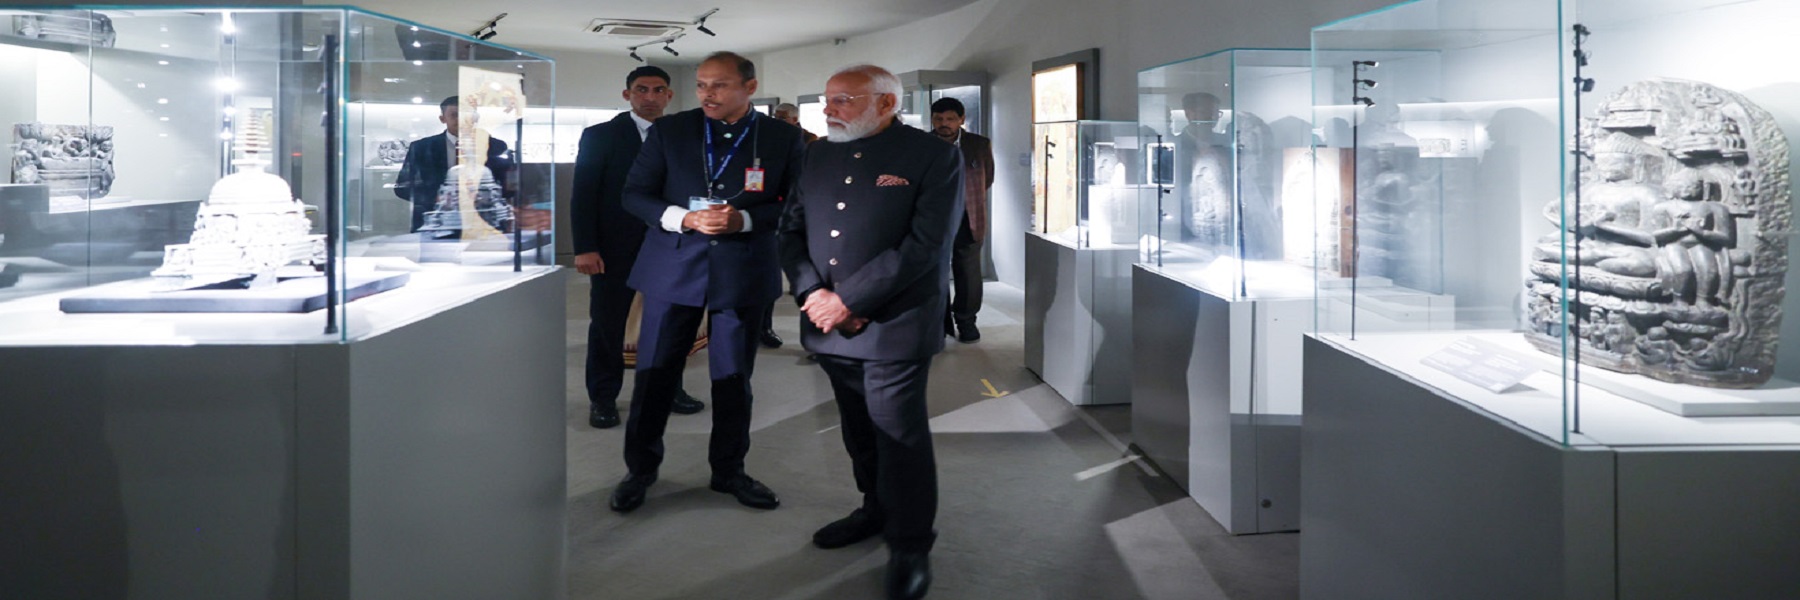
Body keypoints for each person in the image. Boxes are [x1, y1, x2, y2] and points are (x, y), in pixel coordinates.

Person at [779, 64, 962, 600]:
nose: (827, 110)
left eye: (842, 100)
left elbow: (927, 244)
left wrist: (851, 300)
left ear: (885, 103)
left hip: (894, 324)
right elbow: (791, 230)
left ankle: (910, 544)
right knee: (858, 429)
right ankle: (873, 509)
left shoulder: (932, 155)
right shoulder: (818, 153)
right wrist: (813, 293)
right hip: (826, 322)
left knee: (898, 436)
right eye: (827, 99)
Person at [609, 52, 805, 514]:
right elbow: (635, 194)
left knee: (733, 379)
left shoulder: (783, 137)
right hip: (673, 267)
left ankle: (729, 470)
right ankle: (640, 470)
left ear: (750, 87)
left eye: (718, 85)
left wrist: (743, 220)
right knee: (654, 375)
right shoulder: (671, 130)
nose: (707, 94)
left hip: (743, 269)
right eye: (700, 85)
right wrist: (683, 217)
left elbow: (796, 204)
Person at [570, 66, 704, 430]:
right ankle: (603, 397)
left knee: (671, 324)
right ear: (627, 94)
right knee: (608, 324)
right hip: (614, 247)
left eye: (658, 90)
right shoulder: (601, 136)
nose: (650, 97)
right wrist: (585, 247)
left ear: (669, 96)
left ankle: (668, 389)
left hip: (671, 246)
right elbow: (584, 194)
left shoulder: (682, 135)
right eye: (641, 90)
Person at [395, 96, 514, 236]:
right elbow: (403, 186)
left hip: (486, 225)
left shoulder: (496, 146)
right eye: (455, 115)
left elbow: (510, 186)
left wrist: (486, 199)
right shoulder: (420, 148)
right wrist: (438, 198)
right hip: (434, 227)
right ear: (442, 118)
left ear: (476, 117)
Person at [929, 97, 993, 343]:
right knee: (934, 272)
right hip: (933, 219)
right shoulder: (922, 144)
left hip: (970, 217)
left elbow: (987, 178)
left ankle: (966, 321)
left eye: (950, 119)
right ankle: (939, 323)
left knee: (968, 272)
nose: (944, 124)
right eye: (939, 119)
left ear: (961, 119)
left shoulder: (978, 144)